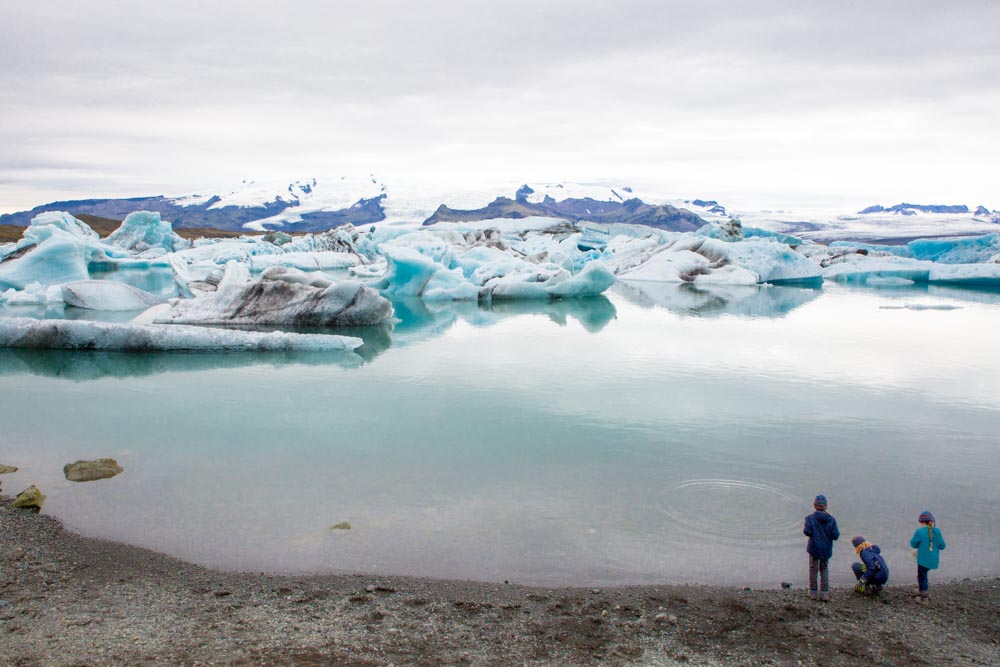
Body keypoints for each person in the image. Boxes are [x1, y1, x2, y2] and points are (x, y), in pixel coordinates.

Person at [803, 494, 839, 601]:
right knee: (824, 569)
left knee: (813, 569)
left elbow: (807, 531)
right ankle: (824, 593)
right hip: (826, 549)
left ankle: (813, 592)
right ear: (826, 506)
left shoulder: (810, 518)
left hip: (814, 548)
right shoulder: (831, 520)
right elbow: (835, 535)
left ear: (814, 505)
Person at [910, 510, 946, 605]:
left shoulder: (920, 531)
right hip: (933, 560)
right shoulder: (937, 531)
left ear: (921, 522)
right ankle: (922, 589)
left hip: (923, 560)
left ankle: (923, 597)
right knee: (924, 573)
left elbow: (913, 544)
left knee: (922, 576)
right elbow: (942, 546)